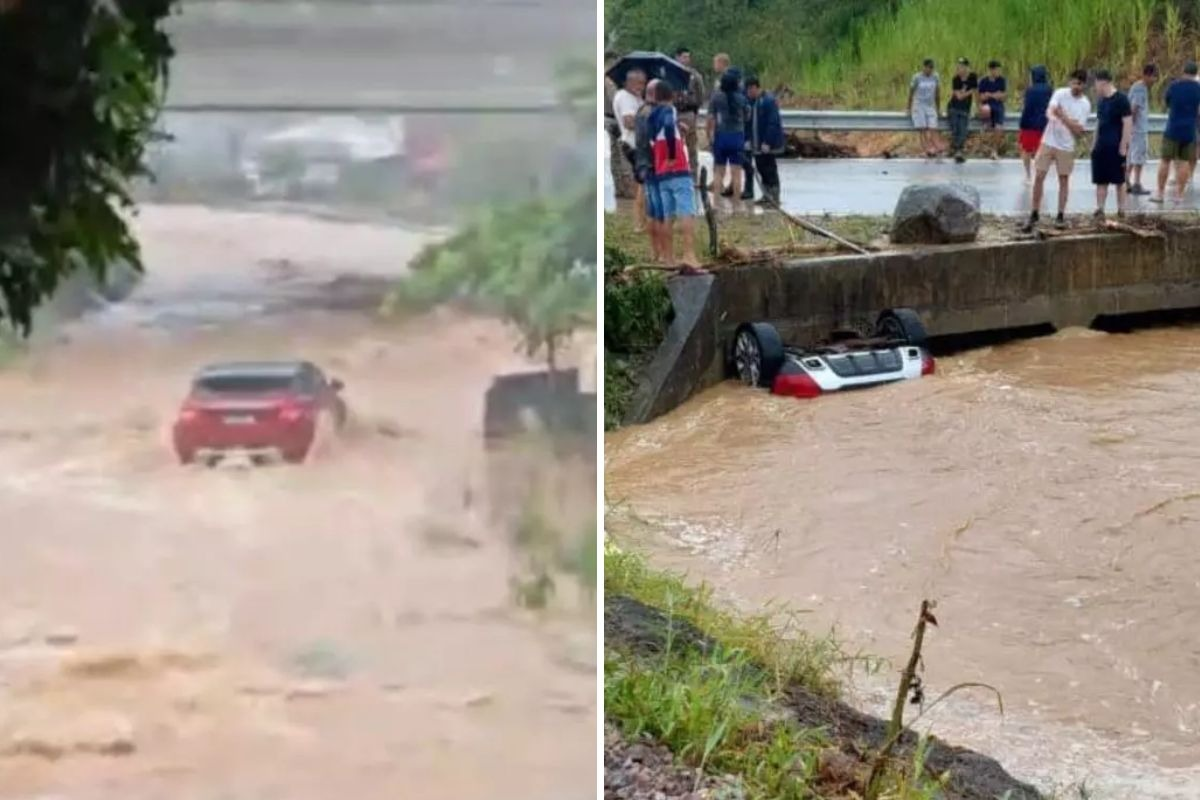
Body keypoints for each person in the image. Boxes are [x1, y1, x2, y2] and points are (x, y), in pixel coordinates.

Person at [1022, 69, 1091, 232]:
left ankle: (1060, 215)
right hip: (1049, 140)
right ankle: (1034, 211)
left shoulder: (1085, 104)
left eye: (1079, 84)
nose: (1076, 86)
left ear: (1084, 85)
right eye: (1073, 82)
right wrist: (1064, 119)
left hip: (1066, 145)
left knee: (1064, 179)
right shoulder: (1060, 93)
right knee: (1039, 175)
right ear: (1069, 82)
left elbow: (1079, 130)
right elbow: (1051, 111)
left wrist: (1063, 117)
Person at [647, 81, 703, 271]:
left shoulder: (650, 115)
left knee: (667, 215)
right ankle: (689, 254)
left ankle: (668, 258)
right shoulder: (669, 110)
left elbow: (658, 137)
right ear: (671, 96)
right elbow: (669, 126)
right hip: (677, 168)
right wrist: (672, 154)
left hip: (661, 172)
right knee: (686, 211)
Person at [1151, 61, 1200, 203]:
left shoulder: (1174, 86)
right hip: (1189, 130)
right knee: (1185, 161)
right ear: (1196, 73)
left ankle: (1160, 193)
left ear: (1183, 71)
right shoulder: (1198, 88)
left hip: (1172, 129)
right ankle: (1179, 196)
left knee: (1165, 160)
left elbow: (1167, 103)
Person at [1090, 69, 1132, 219]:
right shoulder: (1101, 101)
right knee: (1101, 179)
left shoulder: (1121, 99)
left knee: (1119, 181)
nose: (1095, 87)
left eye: (1096, 83)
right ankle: (1100, 208)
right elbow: (1098, 123)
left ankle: (1121, 210)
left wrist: (1123, 145)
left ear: (1103, 82)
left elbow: (1127, 123)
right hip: (1102, 146)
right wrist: (1094, 144)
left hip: (1116, 145)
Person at [706, 68, 748, 202]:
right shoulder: (741, 98)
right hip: (737, 136)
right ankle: (736, 202)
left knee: (719, 172)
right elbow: (747, 115)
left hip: (721, 136)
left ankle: (716, 202)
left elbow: (710, 118)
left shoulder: (716, 97)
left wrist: (710, 136)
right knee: (736, 172)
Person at [612, 69, 647, 224]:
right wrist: (650, 122)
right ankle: (639, 220)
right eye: (639, 83)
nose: (642, 86)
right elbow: (629, 122)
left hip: (637, 143)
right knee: (642, 183)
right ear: (629, 82)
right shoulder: (625, 98)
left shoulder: (635, 97)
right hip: (633, 144)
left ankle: (642, 217)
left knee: (642, 182)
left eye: (644, 83)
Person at [636, 79, 666, 261]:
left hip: (643, 165)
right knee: (661, 212)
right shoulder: (655, 114)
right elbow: (658, 142)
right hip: (657, 165)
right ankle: (662, 253)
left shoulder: (641, 111)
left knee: (651, 211)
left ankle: (654, 251)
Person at [745, 76, 785, 204]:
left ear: (756, 88)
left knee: (769, 169)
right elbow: (748, 123)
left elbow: (773, 123)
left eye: (750, 90)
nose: (749, 93)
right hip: (756, 144)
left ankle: (774, 195)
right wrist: (748, 140)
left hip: (766, 144)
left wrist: (768, 142)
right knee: (761, 167)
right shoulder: (751, 103)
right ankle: (766, 194)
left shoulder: (768, 101)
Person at [673, 46, 706, 186]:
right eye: (684, 56)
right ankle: (676, 174)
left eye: (688, 57)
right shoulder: (671, 73)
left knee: (692, 146)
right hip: (674, 113)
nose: (687, 59)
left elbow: (701, 94)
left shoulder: (694, 75)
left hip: (688, 112)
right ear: (677, 57)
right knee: (675, 145)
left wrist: (695, 109)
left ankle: (694, 176)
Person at [1018, 65, 1053, 181]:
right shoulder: (1049, 89)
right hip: (1044, 123)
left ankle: (1028, 175)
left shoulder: (1030, 90)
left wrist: (1022, 122)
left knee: (1026, 149)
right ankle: (1040, 174)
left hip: (1030, 124)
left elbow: (1028, 107)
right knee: (1041, 150)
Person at [1127, 64, 1157, 195]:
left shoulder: (1139, 87)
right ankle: (1137, 184)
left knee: (1133, 157)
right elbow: (1134, 108)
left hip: (1136, 128)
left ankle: (1126, 181)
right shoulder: (1140, 88)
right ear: (1146, 75)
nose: (1154, 80)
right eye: (1153, 76)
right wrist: (1130, 126)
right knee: (1138, 157)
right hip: (1138, 129)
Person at [908, 58, 941, 158]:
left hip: (930, 105)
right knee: (922, 128)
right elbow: (911, 93)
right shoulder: (917, 77)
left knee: (933, 126)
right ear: (924, 67)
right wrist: (908, 107)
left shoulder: (935, 76)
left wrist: (938, 108)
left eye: (932, 68)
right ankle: (927, 149)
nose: (930, 70)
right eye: (928, 67)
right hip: (919, 104)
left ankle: (936, 146)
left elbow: (937, 93)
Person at [947, 57, 978, 163]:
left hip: (965, 108)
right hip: (954, 107)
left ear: (967, 67)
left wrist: (965, 93)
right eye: (958, 67)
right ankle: (957, 150)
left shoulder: (972, 77)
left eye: (962, 67)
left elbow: (975, 91)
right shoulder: (955, 79)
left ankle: (959, 150)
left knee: (963, 130)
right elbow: (958, 96)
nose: (960, 69)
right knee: (955, 129)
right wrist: (968, 91)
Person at [977, 60, 1007, 160]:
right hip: (987, 106)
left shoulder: (1001, 80)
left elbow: (1003, 96)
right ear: (991, 70)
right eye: (996, 70)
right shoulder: (984, 81)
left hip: (998, 106)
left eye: (999, 70)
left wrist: (990, 94)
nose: (998, 72)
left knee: (998, 128)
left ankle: (994, 151)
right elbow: (981, 97)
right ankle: (986, 128)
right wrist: (995, 95)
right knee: (986, 109)